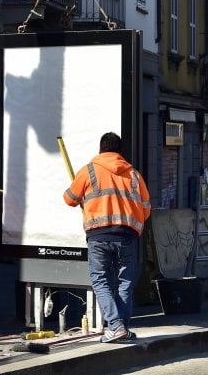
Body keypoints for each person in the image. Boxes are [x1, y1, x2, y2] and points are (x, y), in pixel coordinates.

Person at [63, 132, 151, 343]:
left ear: (100, 150)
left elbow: (69, 199)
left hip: (99, 235)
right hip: (127, 235)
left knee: (100, 280)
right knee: (125, 282)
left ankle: (115, 326)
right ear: (119, 152)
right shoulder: (134, 175)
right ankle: (122, 327)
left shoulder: (89, 170)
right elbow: (146, 208)